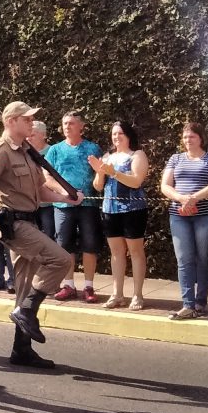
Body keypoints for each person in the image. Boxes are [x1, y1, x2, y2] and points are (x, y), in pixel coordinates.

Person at [0, 102, 83, 369]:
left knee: (23, 286)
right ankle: (26, 311)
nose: (32, 123)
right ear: (11, 121)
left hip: (28, 222)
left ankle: (21, 349)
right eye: (26, 119)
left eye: (33, 119)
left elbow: (39, 191)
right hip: (12, 225)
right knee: (60, 260)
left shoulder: (26, 152)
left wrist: (66, 199)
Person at [159, 122, 208, 320]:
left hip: (206, 215)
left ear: (201, 138)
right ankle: (187, 304)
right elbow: (165, 185)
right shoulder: (175, 158)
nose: (188, 140)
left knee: (204, 258)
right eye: (185, 137)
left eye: (192, 137)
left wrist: (194, 197)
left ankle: (200, 302)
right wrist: (182, 199)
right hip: (179, 215)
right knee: (184, 259)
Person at [89, 122, 149, 310]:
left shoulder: (137, 155)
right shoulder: (107, 157)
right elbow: (98, 186)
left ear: (129, 135)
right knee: (116, 253)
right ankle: (117, 294)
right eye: (114, 134)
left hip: (133, 210)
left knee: (136, 252)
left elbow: (136, 181)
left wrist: (113, 172)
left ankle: (137, 295)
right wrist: (100, 171)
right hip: (110, 210)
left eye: (120, 133)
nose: (116, 137)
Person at [45, 111, 103, 303]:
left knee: (90, 244)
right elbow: (47, 178)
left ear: (81, 127)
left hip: (89, 204)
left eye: (71, 123)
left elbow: (100, 175)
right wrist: (64, 192)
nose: (67, 126)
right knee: (64, 245)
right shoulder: (54, 150)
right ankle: (68, 285)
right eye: (64, 123)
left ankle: (88, 286)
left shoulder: (92, 148)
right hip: (62, 205)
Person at [27, 120, 55, 240]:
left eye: (32, 135)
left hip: (49, 204)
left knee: (50, 237)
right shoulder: (24, 152)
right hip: (30, 203)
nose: (28, 138)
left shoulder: (53, 151)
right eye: (27, 135)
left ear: (43, 135)